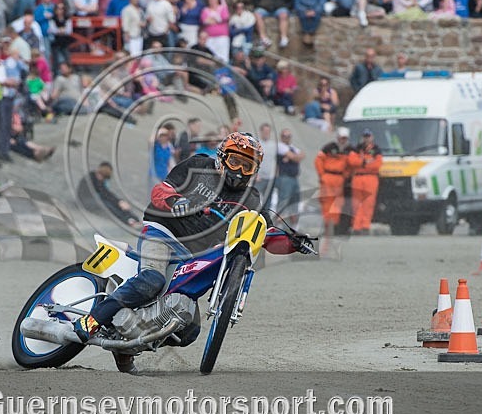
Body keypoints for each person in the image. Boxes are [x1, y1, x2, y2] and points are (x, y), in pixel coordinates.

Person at [70, 132, 310, 373]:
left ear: (254, 171)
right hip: (164, 233)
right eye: (235, 161)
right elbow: (160, 191)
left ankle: (126, 346)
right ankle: (92, 319)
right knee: (152, 280)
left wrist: (293, 242)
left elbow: (264, 235)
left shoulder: (252, 199)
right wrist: (176, 202)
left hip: (194, 256)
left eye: (247, 166)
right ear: (221, 158)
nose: (239, 170)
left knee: (188, 331)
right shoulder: (197, 166)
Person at [315, 127, 355, 236]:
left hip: (339, 178)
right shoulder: (329, 147)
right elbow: (318, 161)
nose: (343, 140)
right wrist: (322, 174)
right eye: (341, 138)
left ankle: (334, 225)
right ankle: (328, 225)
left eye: (345, 138)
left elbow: (352, 165)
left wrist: (346, 175)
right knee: (327, 202)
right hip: (328, 176)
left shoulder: (350, 150)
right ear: (337, 137)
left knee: (338, 203)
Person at [77, 161, 141, 227]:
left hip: (93, 200)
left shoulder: (97, 178)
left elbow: (106, 193)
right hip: (86, 202)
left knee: (112, 203)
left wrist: (119, 202)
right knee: (108, 206)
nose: (102, 179)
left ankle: (133, 218)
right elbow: (105, 194)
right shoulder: (91, 177)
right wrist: (119, 202)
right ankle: (128, 220)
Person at [348, 128, 382, 235]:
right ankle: (356, 226)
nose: (366, 139)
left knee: (369, 203)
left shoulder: (376, 149)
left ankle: (365, 226)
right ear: (362, 137)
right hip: (358, 178)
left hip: (371, 178)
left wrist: (361, 163)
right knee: (357, 203)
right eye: (365, 137)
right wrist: (366, 162)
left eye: (368, 136)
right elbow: (351, 161)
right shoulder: (356, 148)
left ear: (372, 137)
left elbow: (377, 164)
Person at [275, 129, 304, 224]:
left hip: (294, 177)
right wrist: (293, 157)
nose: (286, 138)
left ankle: (293, 222)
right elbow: (295, 157)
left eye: (288, 136)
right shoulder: (280, 146)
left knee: (295, 200)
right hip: (285, 177)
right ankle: (279, 222)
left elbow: (301, 155)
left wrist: (293, 157)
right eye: (285, 136)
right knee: (283, 200)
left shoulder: (291, 147)